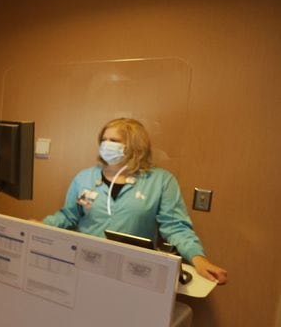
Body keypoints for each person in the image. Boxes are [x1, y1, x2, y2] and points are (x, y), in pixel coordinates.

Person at [43, 118, 228, 284]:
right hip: (86, 263)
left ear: (135, 145)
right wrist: (40, 226)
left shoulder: (161, 181)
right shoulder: (85, 178)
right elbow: (68, 216)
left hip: (134, 270)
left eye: (114, 140)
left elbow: (175, 227)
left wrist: (198, 258)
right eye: (103, 140)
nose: (106, 145)